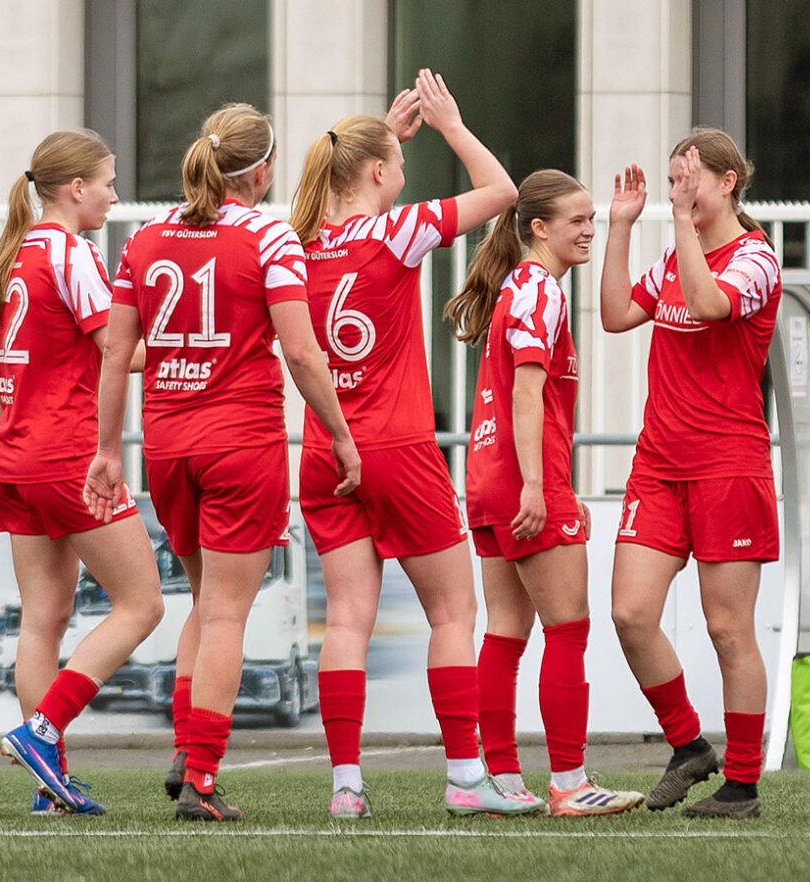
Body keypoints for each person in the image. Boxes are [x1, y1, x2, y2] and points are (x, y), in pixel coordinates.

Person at [85, 103, 360, 822]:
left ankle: (185, 752)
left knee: (206, 605)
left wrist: (107, 450)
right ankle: (202, 777)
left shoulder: (143, 238)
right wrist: (339, 433)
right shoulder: (269, 234)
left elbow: (116, 352)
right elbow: (301, 352)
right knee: (230, 614)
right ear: (262, 170)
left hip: (168, 445)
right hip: (240, 441)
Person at [288, 70, 537, 818]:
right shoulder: (395, 232)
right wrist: (453, 127)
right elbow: (503, 193)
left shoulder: (297, 243)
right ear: (375, 174)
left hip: (324, 451)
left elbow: (348, 193)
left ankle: (346, 789)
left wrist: (385, 139)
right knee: (452, 615)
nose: (406, 173)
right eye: (397, 164)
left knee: (346, 620)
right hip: (396, 448)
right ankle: (466, 776)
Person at [445, 169, 644, 816]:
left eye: (592, 220)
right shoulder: (541, 292)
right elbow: (528, 395)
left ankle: (496, 782)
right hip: (519, 481)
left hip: (486, 477)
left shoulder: (519, 287)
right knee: (568, 629)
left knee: (506, 629)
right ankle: (570, 782)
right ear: (537, 228)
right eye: (577, 221)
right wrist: (540, 485)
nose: (588, 230)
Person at [600, 127, 779, 820]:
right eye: (675, 179)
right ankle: (688, 745)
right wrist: (621, 227)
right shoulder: (675, 256)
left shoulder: (754, 258)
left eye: (690, 178)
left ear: (728, 182)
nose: (680, 190)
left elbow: (709, 306)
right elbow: (616, 315)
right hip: (659, 463)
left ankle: (743, 784)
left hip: (728, 466)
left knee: (729, 629)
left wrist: (679, 223)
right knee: (630, 613)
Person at [0, 130, 164, 816]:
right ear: (75, 189)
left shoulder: (16, 255)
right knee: (142, 602)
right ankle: (42, 731)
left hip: (14, 453)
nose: (116, 198)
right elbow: (120, 353)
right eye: (109, 183)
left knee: (43, 619)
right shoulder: (72, 253)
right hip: (65, 455)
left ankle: (48, 785)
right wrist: (218, 345)